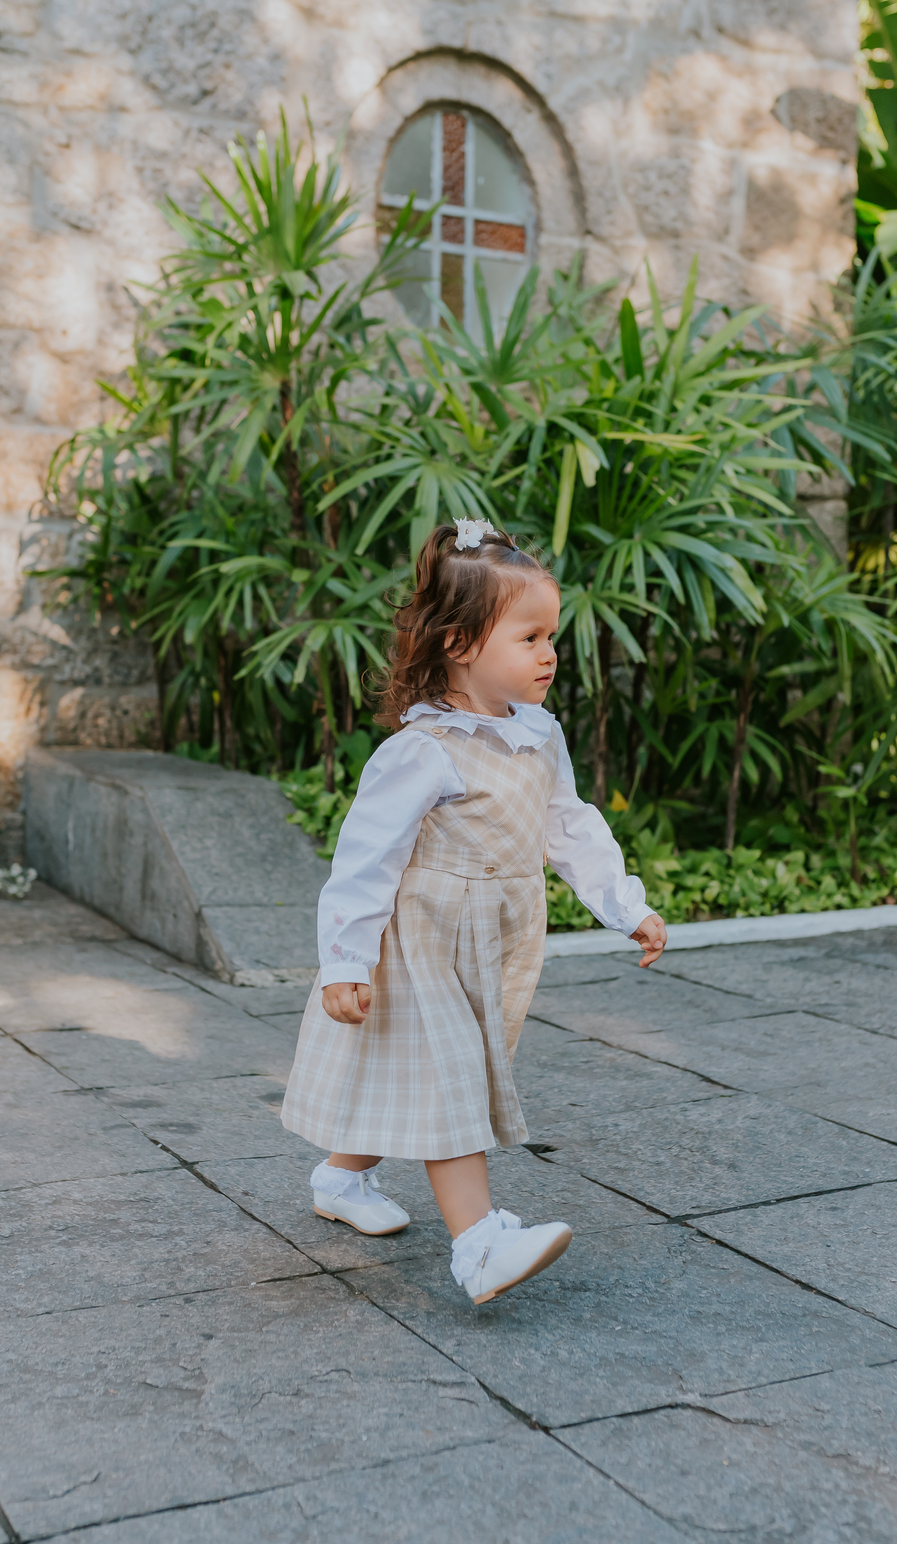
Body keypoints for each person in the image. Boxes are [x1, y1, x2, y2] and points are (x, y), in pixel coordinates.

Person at [281, 519, 667, 1306]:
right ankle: (478, 1245)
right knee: (451, 1081)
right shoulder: (424, 749)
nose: (549, 653)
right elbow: (365, 859)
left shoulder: (538, 734)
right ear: (460, 644)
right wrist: (346, 961)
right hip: (423, 938)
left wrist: (625, 905)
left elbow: (569, 825)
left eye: (551, 636)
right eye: (528, 637)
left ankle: (340, 1177)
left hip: (494, 937)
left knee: (426, 1076)